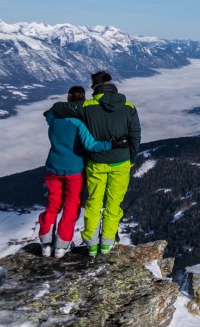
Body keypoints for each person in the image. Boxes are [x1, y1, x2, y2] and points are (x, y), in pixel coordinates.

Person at [50, 70, 141, 257]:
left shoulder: (86, 106)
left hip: (96, 162)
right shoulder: (129, 106)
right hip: (121, 162)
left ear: (95, 87)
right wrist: (132, 158)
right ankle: (107, 243)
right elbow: (135, 135)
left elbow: (57, 108)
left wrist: (73, 103)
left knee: (94, 201)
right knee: (114, 203)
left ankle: (91, 244)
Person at [39, 86, 127, 258]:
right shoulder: (78, 122)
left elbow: (48, 114)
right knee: (71, 206)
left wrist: (50, 112)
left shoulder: (53, 119)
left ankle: (46, 243)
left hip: (53, 167)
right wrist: (112, 144)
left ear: (68, 98)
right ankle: (62, 245)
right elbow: (90, 145)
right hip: (75, 170)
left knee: (53, 203)